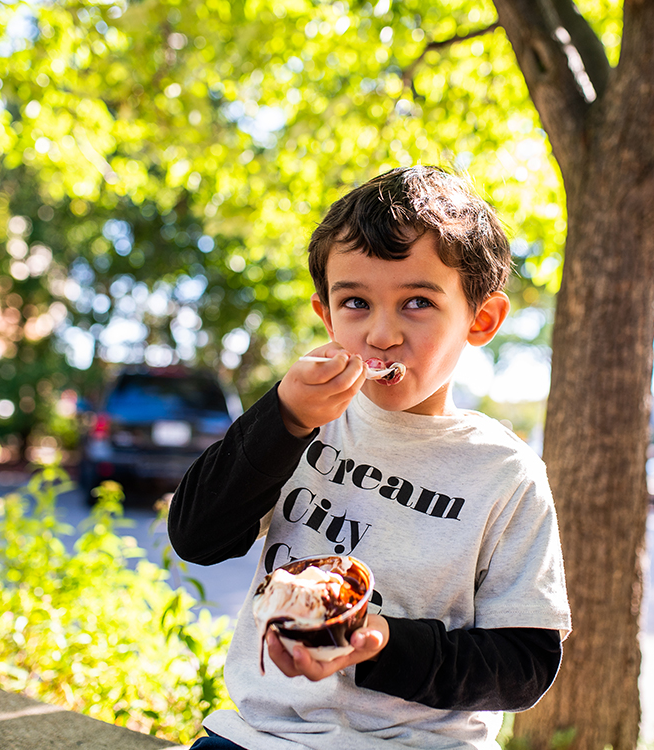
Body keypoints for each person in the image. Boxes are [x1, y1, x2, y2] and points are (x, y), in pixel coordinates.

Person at [169, 165, 571, 750]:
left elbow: (525, 664)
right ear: (326, 315)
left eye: (417, 302)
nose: (381, 334)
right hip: (261, 735)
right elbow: (196, 537)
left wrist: (381, 642)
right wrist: (281, 417)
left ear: (480, 320)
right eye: (355, 301)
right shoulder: (298, 425)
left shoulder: (506, 475)